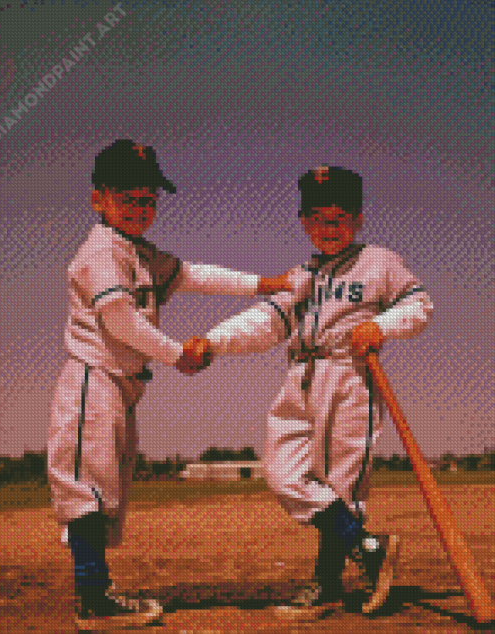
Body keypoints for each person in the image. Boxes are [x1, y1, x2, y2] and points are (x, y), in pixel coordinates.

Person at [47, 139, 293, 630]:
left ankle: (98, 593)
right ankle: (94, 600)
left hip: (121, 387)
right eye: (127, 197)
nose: (140, 208)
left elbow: (193, 275)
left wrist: (264, 284)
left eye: (148, 199)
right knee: (85, 488)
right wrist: (176, 353)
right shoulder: (100, 250)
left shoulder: (137, 251)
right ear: (99, 198)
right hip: (92, 382)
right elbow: (118, 318)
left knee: (105, 489)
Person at [190, 165, 434, 616]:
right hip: (299, 378)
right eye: (317, 219)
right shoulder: (302, 275)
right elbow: (266, 322)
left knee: (342, 486)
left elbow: (419, 305)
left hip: (349, 379)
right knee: (283, 475)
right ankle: (369, 548)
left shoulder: (380, 262)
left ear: (358, 218)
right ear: (303, 222)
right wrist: (214, 340)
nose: (328, 228)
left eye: (338, 218)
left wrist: (381, 324)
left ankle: (327, 586)